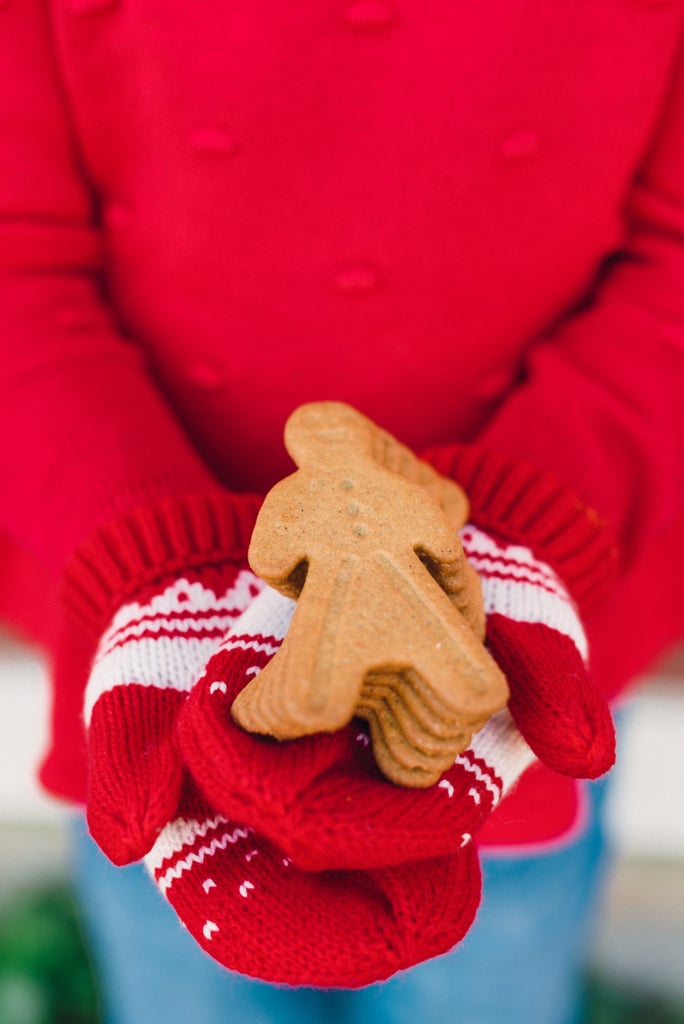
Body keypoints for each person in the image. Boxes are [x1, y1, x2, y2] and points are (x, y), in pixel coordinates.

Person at [1, 1, 683, 1021]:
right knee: (188, 983)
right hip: (158, 675)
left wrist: (519, 536)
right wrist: (152, 563)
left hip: (518, 670)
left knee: (492, 976)